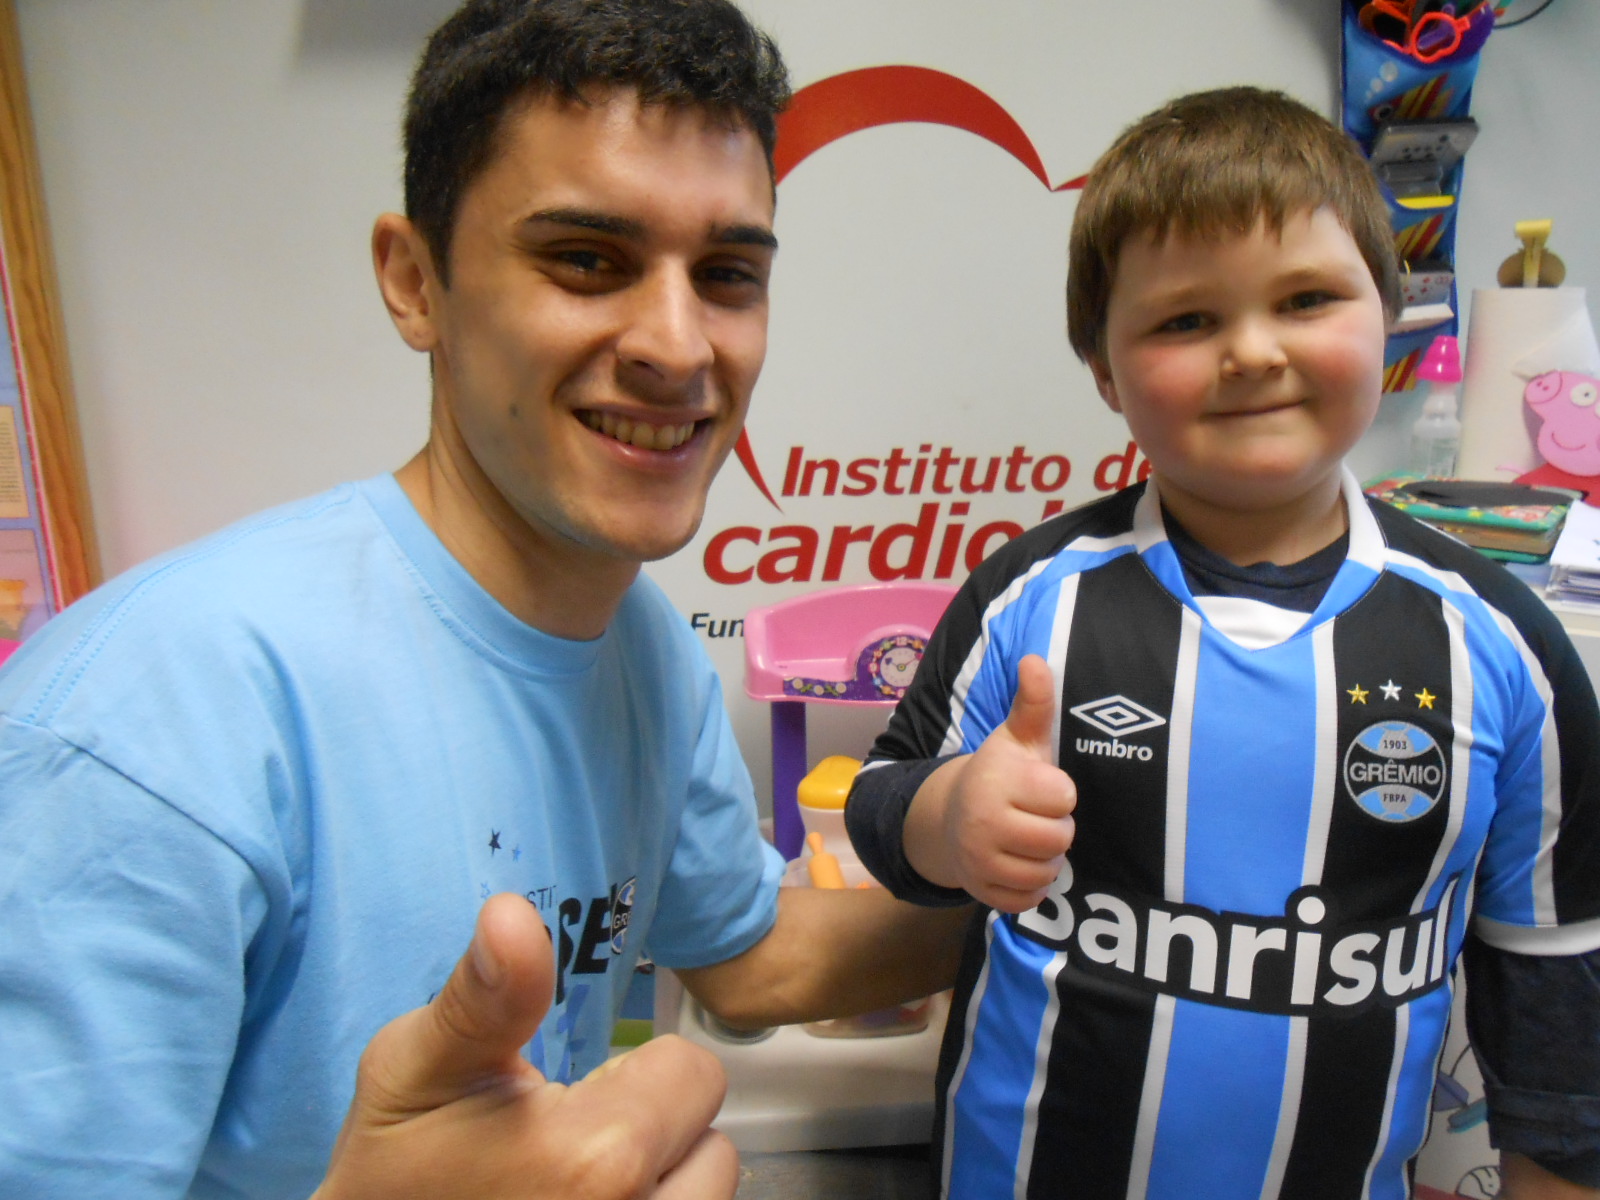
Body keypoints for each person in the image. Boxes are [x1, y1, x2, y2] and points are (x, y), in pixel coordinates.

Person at [0, 2, 966, 1198]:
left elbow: (751, 955)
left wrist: (1085, 888)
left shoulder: (644, 647)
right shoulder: (149, 724)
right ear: (415, 282)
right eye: (586, 260)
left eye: (725, 275)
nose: (677, 343)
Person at [846, 86, 1600, 1199]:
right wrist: (944, 818)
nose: (1251, 351)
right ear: (1104, 371)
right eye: (1185, 320)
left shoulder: (1502, 646)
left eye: (1304, 298)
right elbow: (879, 808)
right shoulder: (1030, 599)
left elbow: (1556, 1016)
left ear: (1388, 316)